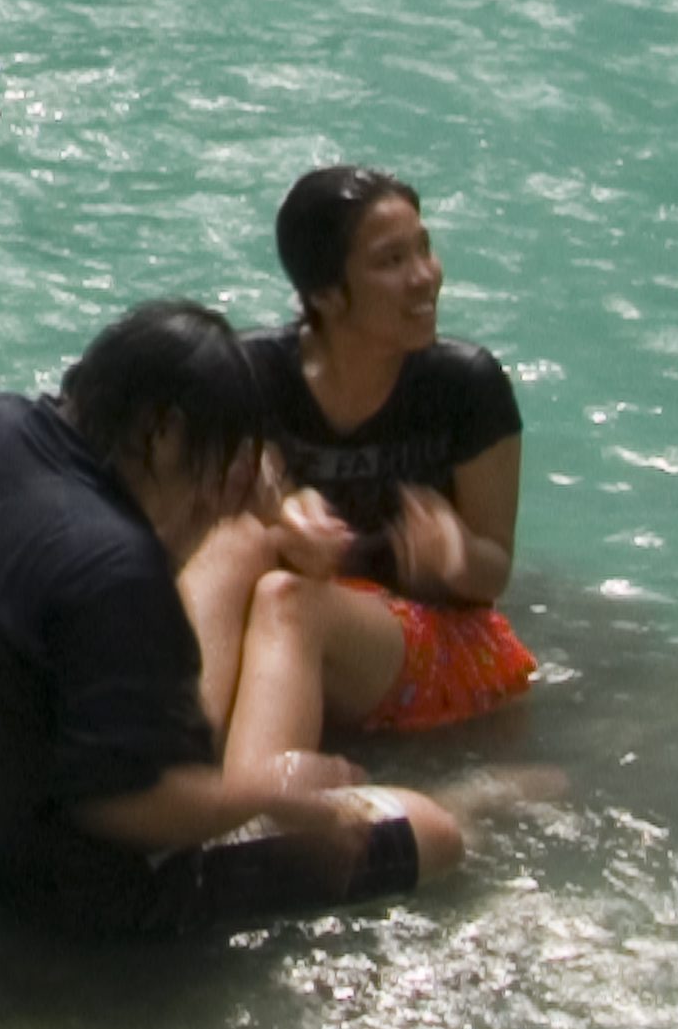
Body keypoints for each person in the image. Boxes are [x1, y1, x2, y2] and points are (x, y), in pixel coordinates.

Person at [0, 297, 467, 939]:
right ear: (163, 433)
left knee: (231, 545)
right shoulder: (113, 564)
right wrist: (275, 793)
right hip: (61, 897)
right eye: (214, 467)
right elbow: (125, 809)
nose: (215, 496)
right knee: (431, 830)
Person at [192, 164, 536, 786]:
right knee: (234, 545)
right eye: (392, 261)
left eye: (424, 250)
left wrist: (454, 555)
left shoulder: (467, 386)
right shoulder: (253, 374)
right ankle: (178, 757)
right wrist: (277, 517)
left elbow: (492, 574)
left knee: (287, 598)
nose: (424, 277)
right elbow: (205, 518)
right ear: (325, 293)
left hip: (440, 640)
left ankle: (262, 795)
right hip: (299, 624)